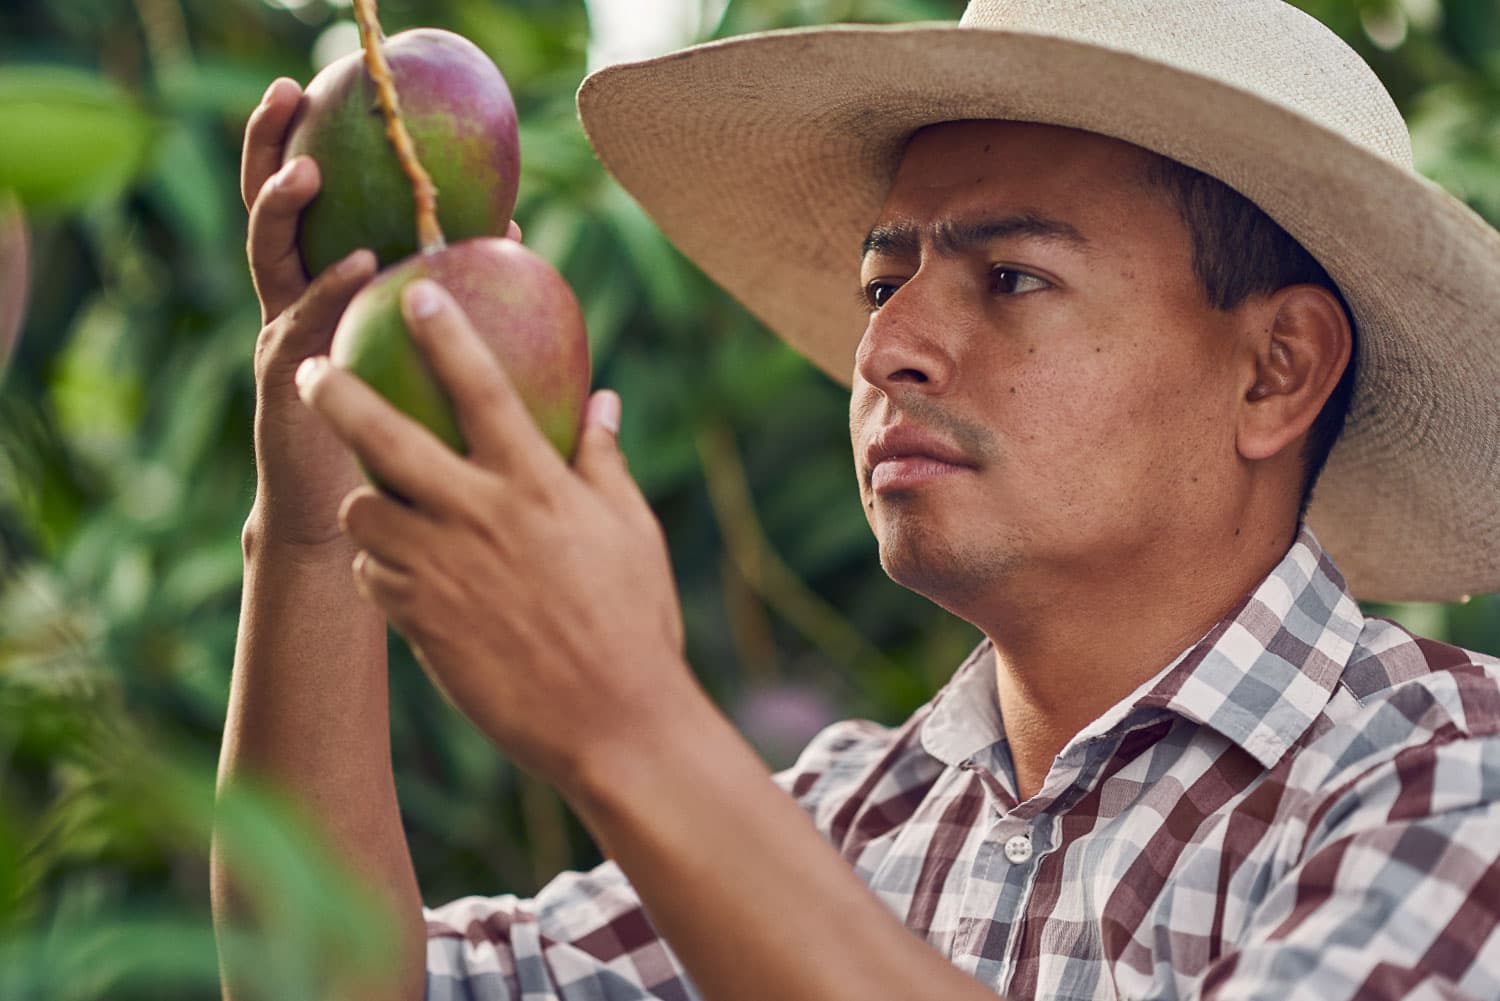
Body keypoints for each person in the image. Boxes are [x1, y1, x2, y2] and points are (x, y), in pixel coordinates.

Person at [213, 0, 1500, 999]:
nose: (891, 347)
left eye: (1010, 278)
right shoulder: (857, 816)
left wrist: (629, 721)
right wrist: (317, 488)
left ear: (1277, 372)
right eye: (885, 282)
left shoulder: (1447, 782)